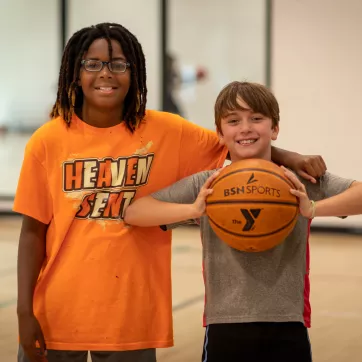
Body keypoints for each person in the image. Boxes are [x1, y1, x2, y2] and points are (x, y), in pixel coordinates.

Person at [13, 22, 326, 362]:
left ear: (135, 72)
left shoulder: (167, 131)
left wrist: (291, 157)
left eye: (119, 64)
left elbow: (238, 143)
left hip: (131, 317)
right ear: (75, 72)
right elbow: (32, 234)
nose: (106, 73)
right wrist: (23, 312)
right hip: (56, 312)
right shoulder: (47, 141)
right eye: (93, 63)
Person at [124, 81, 361, 362]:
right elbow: (134, 212)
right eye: (234, 121)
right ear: (220, 133)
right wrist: (193, 210)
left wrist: (311, 208)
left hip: (288, 321)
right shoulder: (208, 184)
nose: (245, 128)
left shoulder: (296, 180)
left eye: (257, 118)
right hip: (224, 323)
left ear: (274, 128)